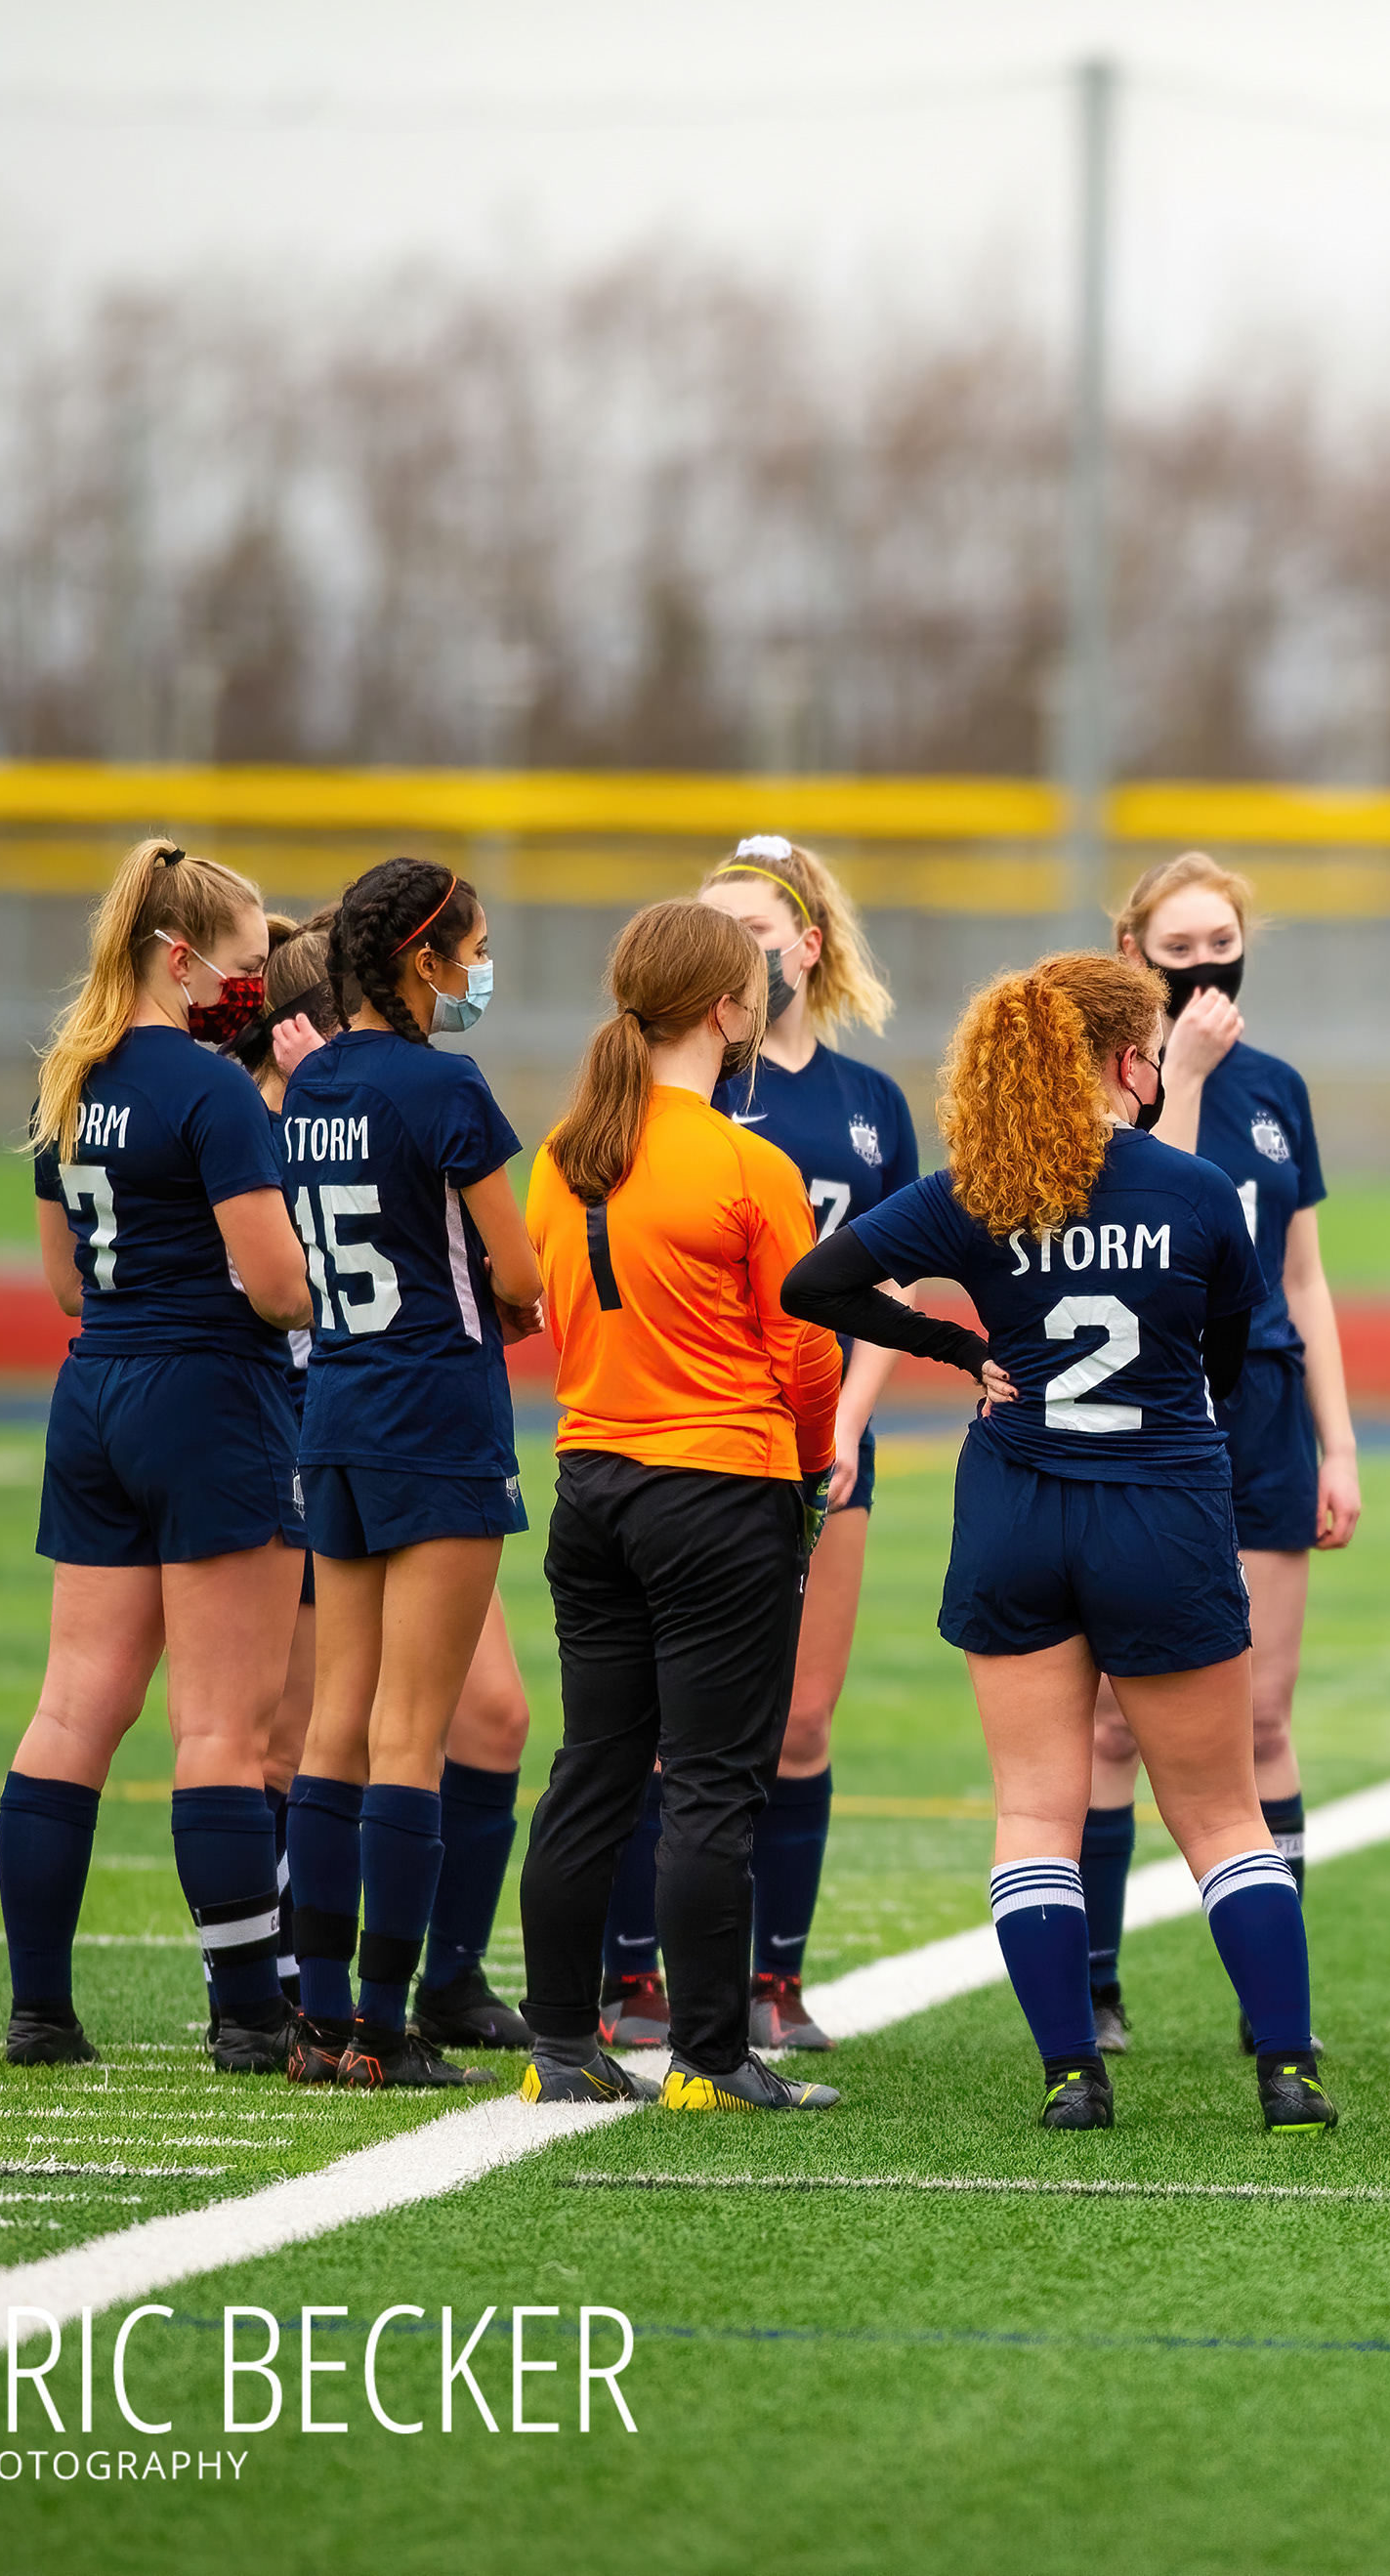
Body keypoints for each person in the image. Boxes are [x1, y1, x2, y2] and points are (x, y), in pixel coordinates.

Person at [783, 952, 1330, 2136]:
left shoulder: (974, 1188)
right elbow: (1227, 1360)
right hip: (1161, 1510)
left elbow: (813, 1281)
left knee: (1037, 1812)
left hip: (1018, 1509)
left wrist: (958, 1348)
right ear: (1130, 1061)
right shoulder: (1194, 1189)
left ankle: (1071, 2074)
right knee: (1222, 1815)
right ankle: (1288, 2071)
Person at [512, 900, 843, 2113]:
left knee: (592, 1769)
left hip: (592, 1481)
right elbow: (807, 1350)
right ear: (725, 1009)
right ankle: (709, 2055)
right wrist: (811, 1468)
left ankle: (560, 2043)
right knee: (711, 1781)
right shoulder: (748, 1162)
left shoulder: (561, 1152)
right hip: (720, 1487)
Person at [590, 837, 919, 2058]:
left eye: (756, 931)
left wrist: (849, 1423)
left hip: (823, 1436)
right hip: (703, 1437)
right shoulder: (680, 1088)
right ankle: (636, 1974)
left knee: (802, 1722)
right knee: (664, 1726)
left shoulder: (869, 1102)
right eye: (715, 926)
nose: (736, 949)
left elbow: (896, 1278)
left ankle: (776, 1978)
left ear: (806, 946)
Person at [0, 840, 311, 2073]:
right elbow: (279, 1288)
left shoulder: (67, 1077)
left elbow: (65, 1283)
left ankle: (39, 2009)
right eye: (242, 963)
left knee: (72, 1706)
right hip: (210, 1396)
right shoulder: (212, 1089)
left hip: (96, 1394)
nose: (253, 986)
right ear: (179, 959)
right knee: (222, 1728)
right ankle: (249, 2015)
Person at [1078, 853, 1366, 2057]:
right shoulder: (1108, 1077)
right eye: (1179, 945)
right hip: (1143, 1402)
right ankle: (1095, 1983)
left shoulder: (1279, 1085)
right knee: (1111, 1720)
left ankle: (1269, 1993)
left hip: (1262, 1408)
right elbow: (1157, 1202)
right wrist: (1181, 1072)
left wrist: (1337, 1441)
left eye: (1221, 943)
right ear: (1132, 951)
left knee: (1262, 1715)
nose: (1205, 966)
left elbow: (1303, 1274)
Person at [244, 914, 537, 2053]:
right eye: (473, 943)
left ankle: (320, 2016)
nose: (479, 965)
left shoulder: (310, 1086)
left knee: (335, 1728)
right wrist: (503, 1295)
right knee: (411, 1734)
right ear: (422, 958)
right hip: (437, 1417)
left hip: (335, 1413)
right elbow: (520, 1272)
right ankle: (382, 2023)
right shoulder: (445, 1082)